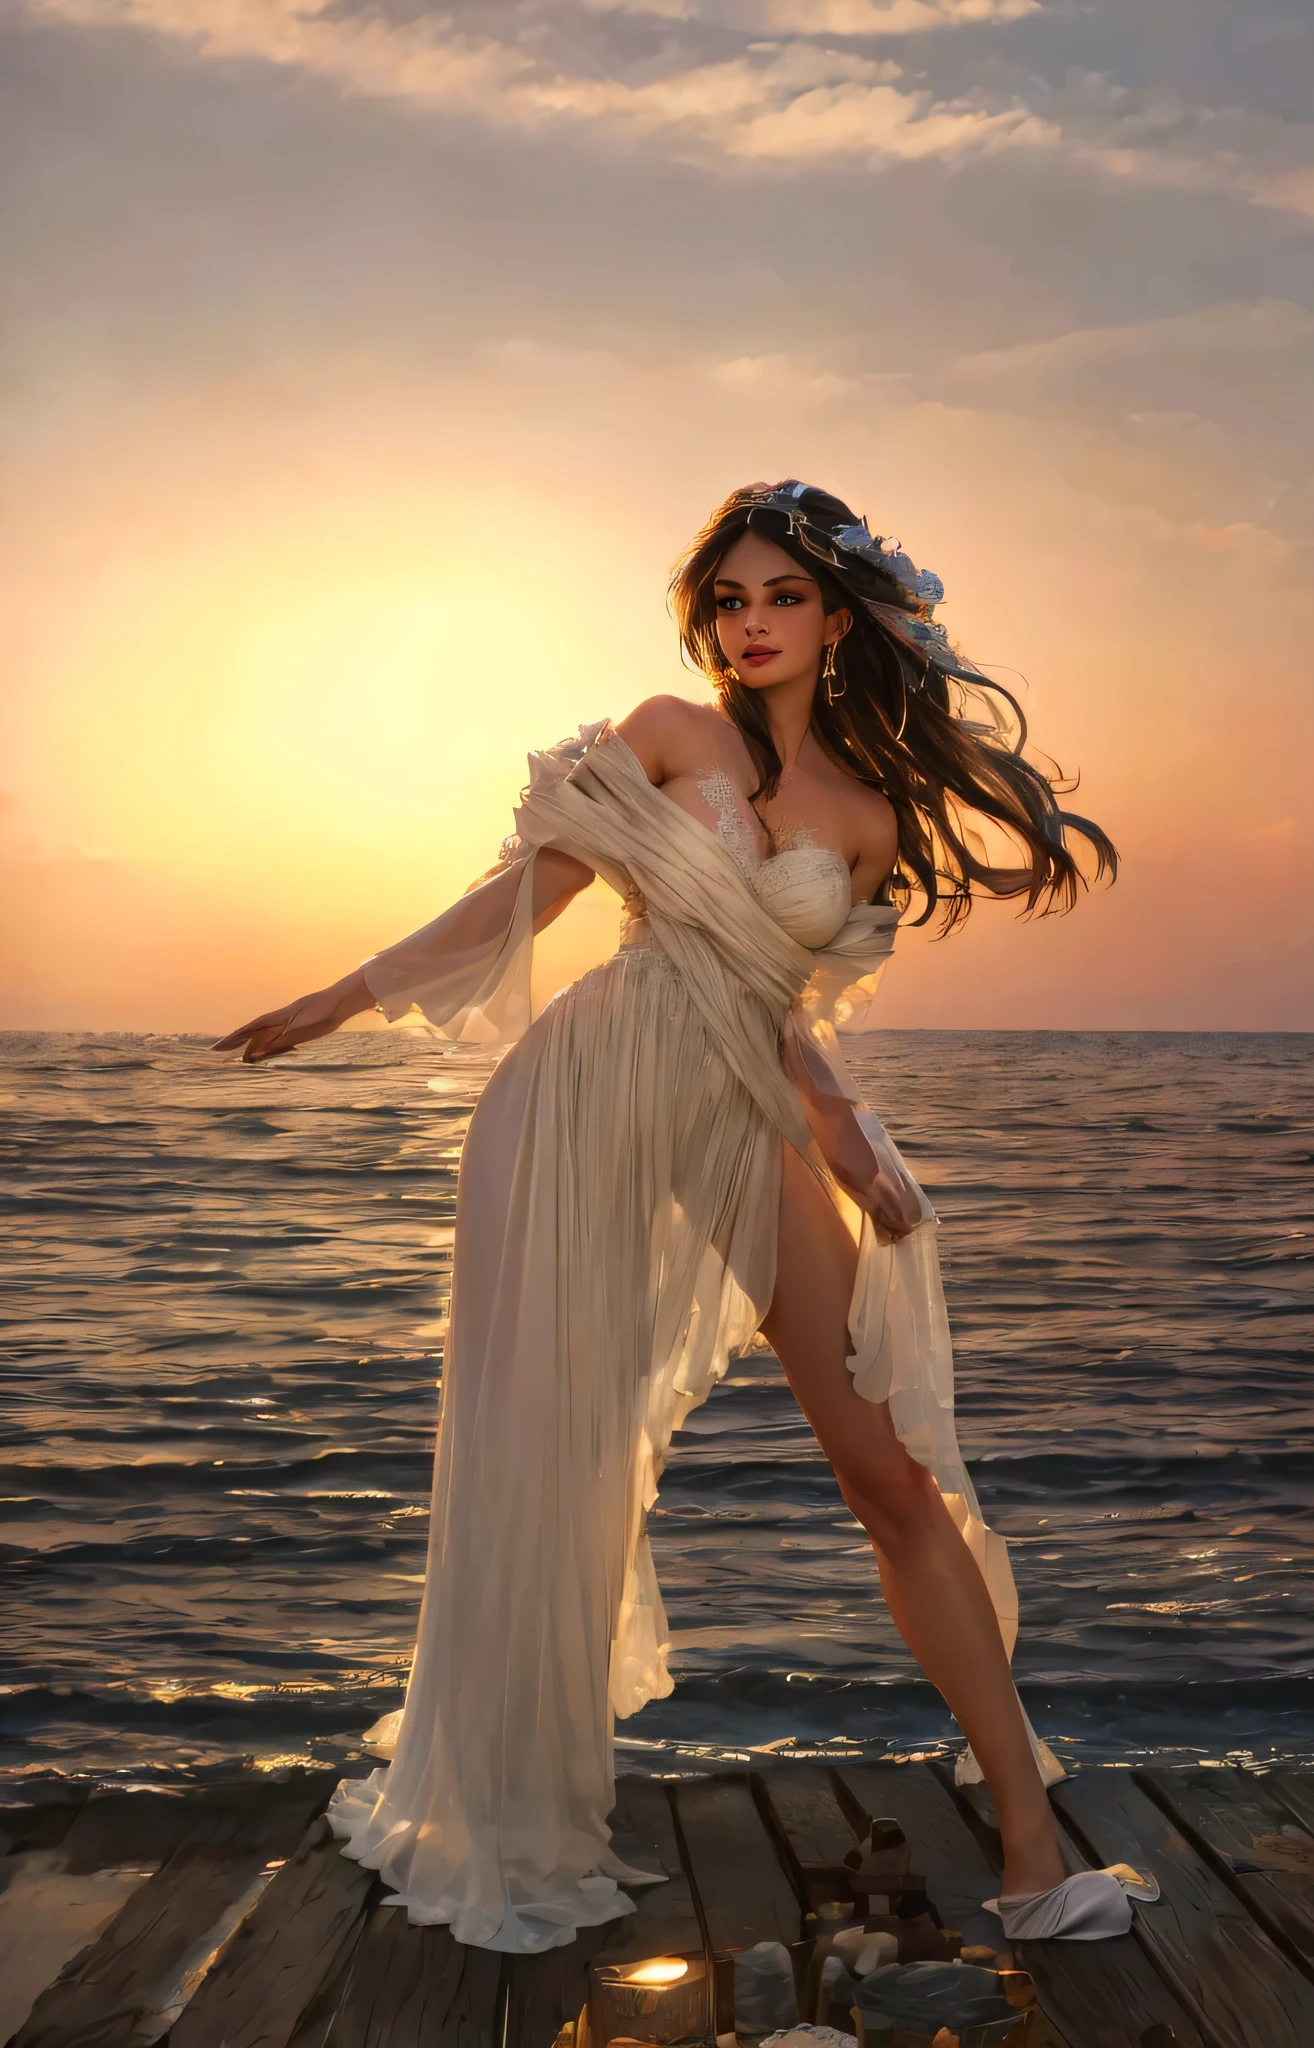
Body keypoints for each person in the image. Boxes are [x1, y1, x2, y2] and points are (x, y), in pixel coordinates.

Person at [215, 481, 1148, 1952]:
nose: (752, 623)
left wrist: (848, 1138)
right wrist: (345, 997)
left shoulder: (870, 805)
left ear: (841, 615)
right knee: (553, 1451)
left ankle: (1034, 1847)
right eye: (730, 599)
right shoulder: (667, 731)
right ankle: (504, 1805)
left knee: (887, 1469)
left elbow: (776, 1009)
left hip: (740, 1105)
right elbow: (528, 892)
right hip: (582, 1091)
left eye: (782, 596)